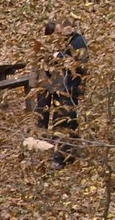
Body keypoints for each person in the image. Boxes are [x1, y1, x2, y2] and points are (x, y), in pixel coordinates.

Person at [38, 15, 89, 167]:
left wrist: (60, 57)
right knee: (67, 121)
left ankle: (60, 159)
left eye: (60, 31)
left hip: (70, 88)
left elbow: (80, 64)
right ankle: (68, 154)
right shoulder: (66, 42)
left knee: (64, 122)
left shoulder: (78, 42)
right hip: (58, 87)